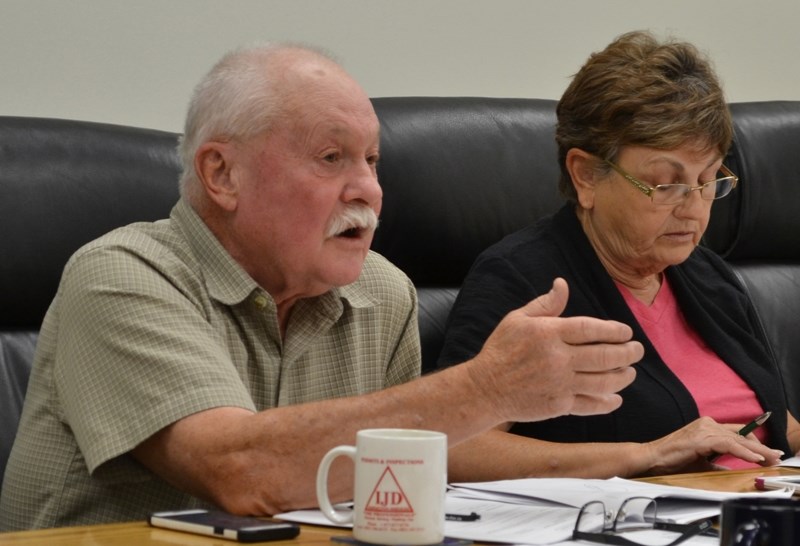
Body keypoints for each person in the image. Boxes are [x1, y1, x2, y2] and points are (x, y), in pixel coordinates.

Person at [0, 43, 643, 531]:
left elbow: (398, 493)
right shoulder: (122, 276)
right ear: (221, 174)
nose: (369, 189)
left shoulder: (383, 293)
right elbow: (241, 473)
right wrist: (485, 387)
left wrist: (633, 463)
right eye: (331, 158)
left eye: (372, 160)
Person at [437, 30, 800, 482]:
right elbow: (455, 447)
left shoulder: (710, 275)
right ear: (586, 175)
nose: (694, 206)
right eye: (667, 184)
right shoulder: (523, 279)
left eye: (708, 180)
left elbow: (776, 424)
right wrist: (646, 455)